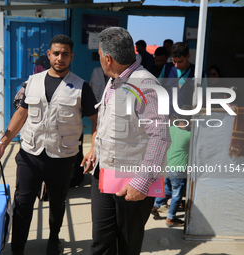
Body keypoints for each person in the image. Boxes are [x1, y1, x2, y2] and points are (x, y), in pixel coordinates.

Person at [0, 34, 98, 255]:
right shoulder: (32, 82)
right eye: (56, 53)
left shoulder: (81, 87)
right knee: (23, 203)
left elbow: (96, 122)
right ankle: (17, 248)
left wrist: (93, 149)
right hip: (30, 155)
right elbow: (21, 113)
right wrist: (3, 142)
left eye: (65, 54)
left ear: (72, 56)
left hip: (63, 158)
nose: (60, 58)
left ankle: (53, 240)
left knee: (57, 204)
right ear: (49, 54)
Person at [82, 27, 171, 255]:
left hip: (131, 182)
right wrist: (95, 150)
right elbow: (110, 124)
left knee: (127, 246)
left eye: (100, 55)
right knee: (101, 243)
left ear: (108, 58)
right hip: (104, 174)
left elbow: (160, 137)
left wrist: (142, 182)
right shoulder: (115, 81)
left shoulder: (146, 86)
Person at [152, 111, 191, 227]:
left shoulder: (171, 129)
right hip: (178, 170)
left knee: (167, 190)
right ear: (190, 120)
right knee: (177, 195)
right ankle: (170, 218)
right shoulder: (189, 135)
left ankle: (155, 205)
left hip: (167, 167)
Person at [159, 42, 203, 117]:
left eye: (180, 61)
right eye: (174, 61)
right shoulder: (167, 68)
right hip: (167, 117)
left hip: (187, 119)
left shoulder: (198, 73)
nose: (176, 65)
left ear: (188, 56)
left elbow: (203, 98)